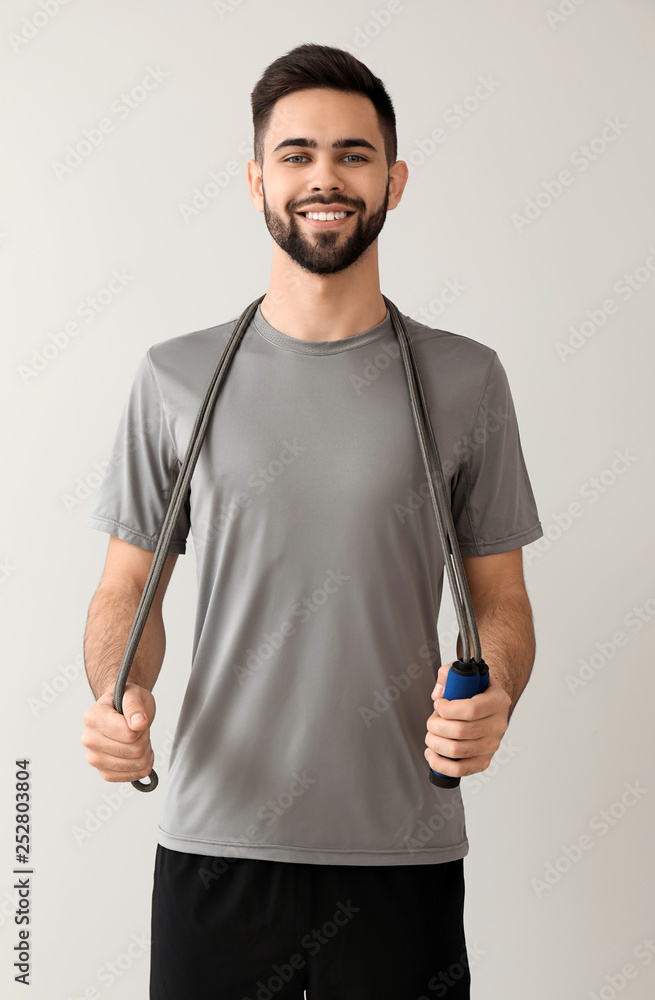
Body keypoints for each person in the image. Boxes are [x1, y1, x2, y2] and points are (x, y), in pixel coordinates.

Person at [81, 43, 543, 1000]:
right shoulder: (175, 378)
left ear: (393, 180)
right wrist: (120, 693)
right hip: (216, 849)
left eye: (352, 153)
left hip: (402, 852)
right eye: (294, 155)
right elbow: (128, 586)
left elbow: (499, 601)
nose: (323, 177)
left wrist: (492, 691)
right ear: (257, 180)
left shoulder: (465, 380)